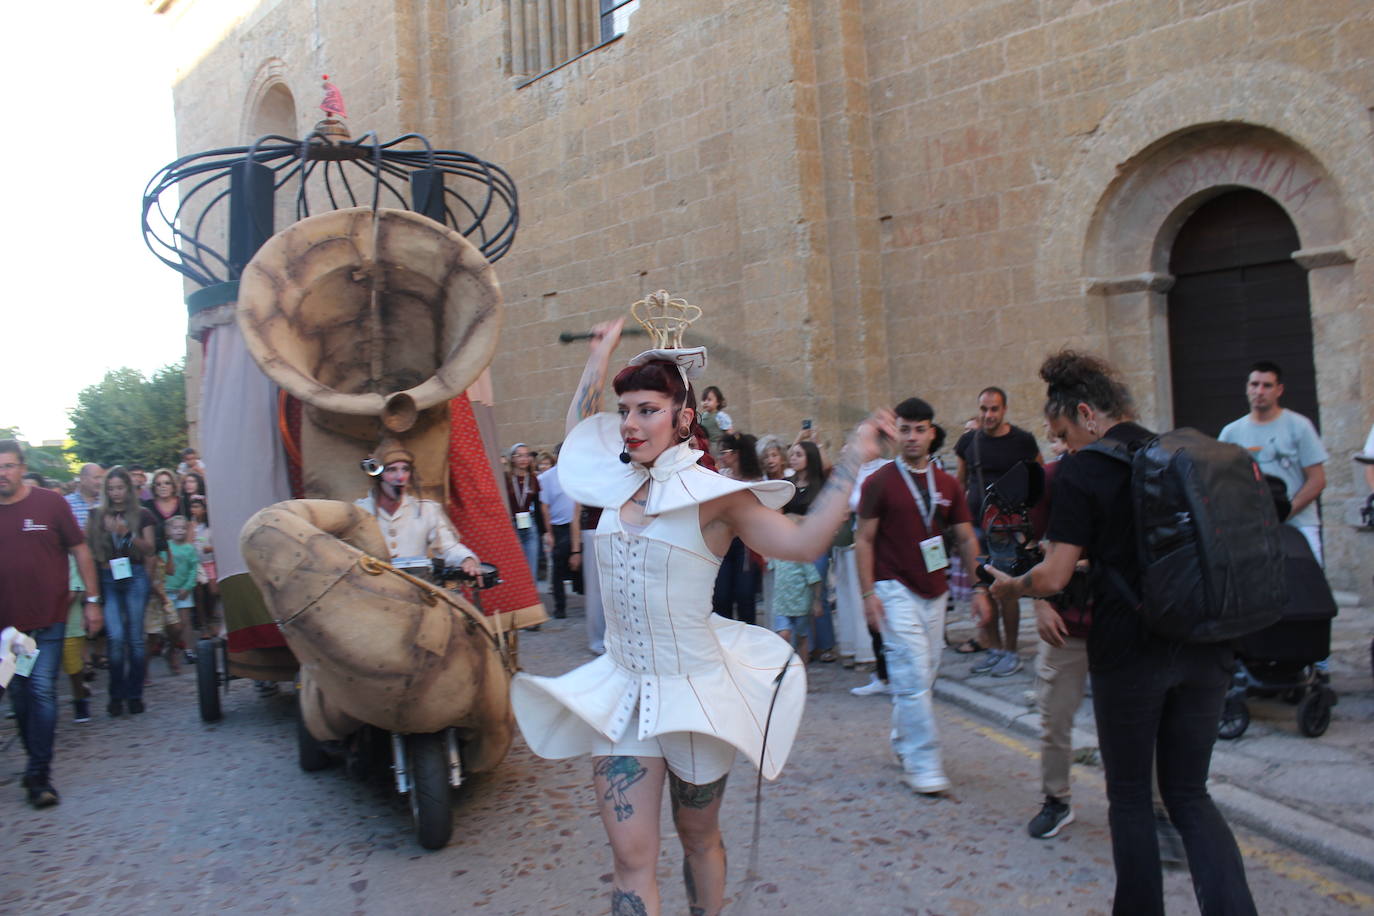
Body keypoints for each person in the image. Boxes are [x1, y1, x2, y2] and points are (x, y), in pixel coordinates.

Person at [510, 316, 894, 916]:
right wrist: (599, 354)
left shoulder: (715, 497)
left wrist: (852, 458)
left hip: (694, 695)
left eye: (647, 410)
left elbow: (806, 541)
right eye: (626, 411)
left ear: (682, 417)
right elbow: (579, 431)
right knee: (630, 863)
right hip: (625, 692)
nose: (631, 424)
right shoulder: (612, 478)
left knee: (697, 839)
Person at [989, 350, 1256, 915]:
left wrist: (1012, 587)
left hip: (1132, 654)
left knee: (1131, 798)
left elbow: (1054, 574)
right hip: (1205, 648)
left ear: (1086, 414)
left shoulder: (1085, 472)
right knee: (1189, 794)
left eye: (1063, 434)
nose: (1064, 448)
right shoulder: (1172, 453)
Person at [856, 398, 992, 794]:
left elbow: (966, 537)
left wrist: (980, 588)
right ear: (895, 433)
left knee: (923, 674)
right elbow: (864, 540)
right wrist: (868, 594)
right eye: (904, 429)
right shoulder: (878, 482)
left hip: (935, 591)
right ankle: (924, 764)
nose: (912, 437)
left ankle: (903, 740)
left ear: (932, 433)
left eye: (919, 429)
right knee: (913, 675)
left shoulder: (948, 484)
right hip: (892, 587)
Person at [0, 439, 101, 806]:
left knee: (41, 689)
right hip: (7, 628)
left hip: (48, 617)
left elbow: (80, 549)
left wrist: (92, 601)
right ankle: (34, 765)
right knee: (19, 694)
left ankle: (40, 775)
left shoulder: (50, 503)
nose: (3, 474)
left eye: (9, 466)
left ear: (22, 467)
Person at [953, 386, 1041, 676]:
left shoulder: (1023, 441)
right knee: (985, 590)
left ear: (1004, 410)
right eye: (983, 409)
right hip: (977, 529)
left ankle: (1012, 652)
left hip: (1007, 529)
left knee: (1008, 591)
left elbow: (1039, 479)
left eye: (994, 409)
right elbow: (962, 484)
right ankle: (995, 648)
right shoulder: (968, 442)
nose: (988, 415)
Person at [1218, 361, 1328, 564]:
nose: (1259, 391)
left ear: (1279, 390)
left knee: (1306, 590)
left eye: (1267, 385)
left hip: (1299, 526)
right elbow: (1221, 483)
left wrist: (1284, 513)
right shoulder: (1230, 432)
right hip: (1250, 530)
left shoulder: (1300, 427)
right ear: (1247, 387)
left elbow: (1317, 480)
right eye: (1254, 384)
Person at [87, 466, 158, 717]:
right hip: (109, 577)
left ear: (129, 489)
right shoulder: (96, 515)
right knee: (116, 638)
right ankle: (116, 694)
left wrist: (126, 534)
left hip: (135, 575)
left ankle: (135, 693)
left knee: (136, 639)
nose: (116, 493)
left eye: (120, 488)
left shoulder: (143, 514)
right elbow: (90, 551)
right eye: (111, 488)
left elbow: (149, 549)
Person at [355, 438, 481, 579]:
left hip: (417, 588)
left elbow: (448, 547)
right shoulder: (359, 512)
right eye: (392, 470)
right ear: (378, 475)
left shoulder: (428, 510)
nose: (400, 477)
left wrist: (466, 559)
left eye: (405, 470)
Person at [711, 433, 764, 625]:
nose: (721, 456)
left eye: (724, 452)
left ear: (737, 453)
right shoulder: (720, 476)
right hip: (723, 542)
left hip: (745, 543)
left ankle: (748, 646)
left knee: (745, 596)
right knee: (721, 596)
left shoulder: (756, 481)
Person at [538, 450, 581, 619]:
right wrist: (549, 533)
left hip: (579, 524)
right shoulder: (547, 477)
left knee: (580, 563)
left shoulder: (578, 472)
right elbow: (544, 507)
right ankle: (560, 606)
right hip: (559, 527)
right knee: (558, 568)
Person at [163, 515, 200, 675]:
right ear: (169, 531)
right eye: (175, 528)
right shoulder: (166, 547)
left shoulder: (189, 548)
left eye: (183, 528)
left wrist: (188, 587)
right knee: (171, 624)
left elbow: (193, 569)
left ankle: (189, 649)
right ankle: (171, 646)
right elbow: (161, 567)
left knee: (185, 622)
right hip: (167, 590)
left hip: (184, 590)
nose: (179, 531)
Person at [505, 443, 541, 584]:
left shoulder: (532, 479)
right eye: (519, 455)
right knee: (515, 569)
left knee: (531, 569)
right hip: (512, 525)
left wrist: (545, 532)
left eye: (526, 455)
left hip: (529, 525)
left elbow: (539, 506)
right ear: (512, 458)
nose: (523, 459)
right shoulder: (506, 478)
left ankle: (533, 601)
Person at [188, 495, 219, 641]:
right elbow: (188, 544)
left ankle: (212, 618)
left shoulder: (211, 525)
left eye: (197, 507)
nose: (194, 510)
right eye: (192, 507)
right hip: (196, 563)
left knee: (213, 592)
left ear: (204, 509)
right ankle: (203, 624)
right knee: (199, 593)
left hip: (210, 562)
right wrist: (191, 530)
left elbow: (218, 543)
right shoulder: (191, 526)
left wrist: (211, 548)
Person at [64, 463, 105, 530]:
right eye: (96, 478)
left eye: (102, 478)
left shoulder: (106, 501)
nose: (100, 482)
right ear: (83, 479)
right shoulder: (67, 502)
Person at [698, 385, 734, 451]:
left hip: (718, 447)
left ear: (718, 402)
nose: (705, 402)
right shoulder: (702, 416)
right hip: (705, 446)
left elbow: (729, 433)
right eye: (703, 400)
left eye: (709, 400)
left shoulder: (721, 416)